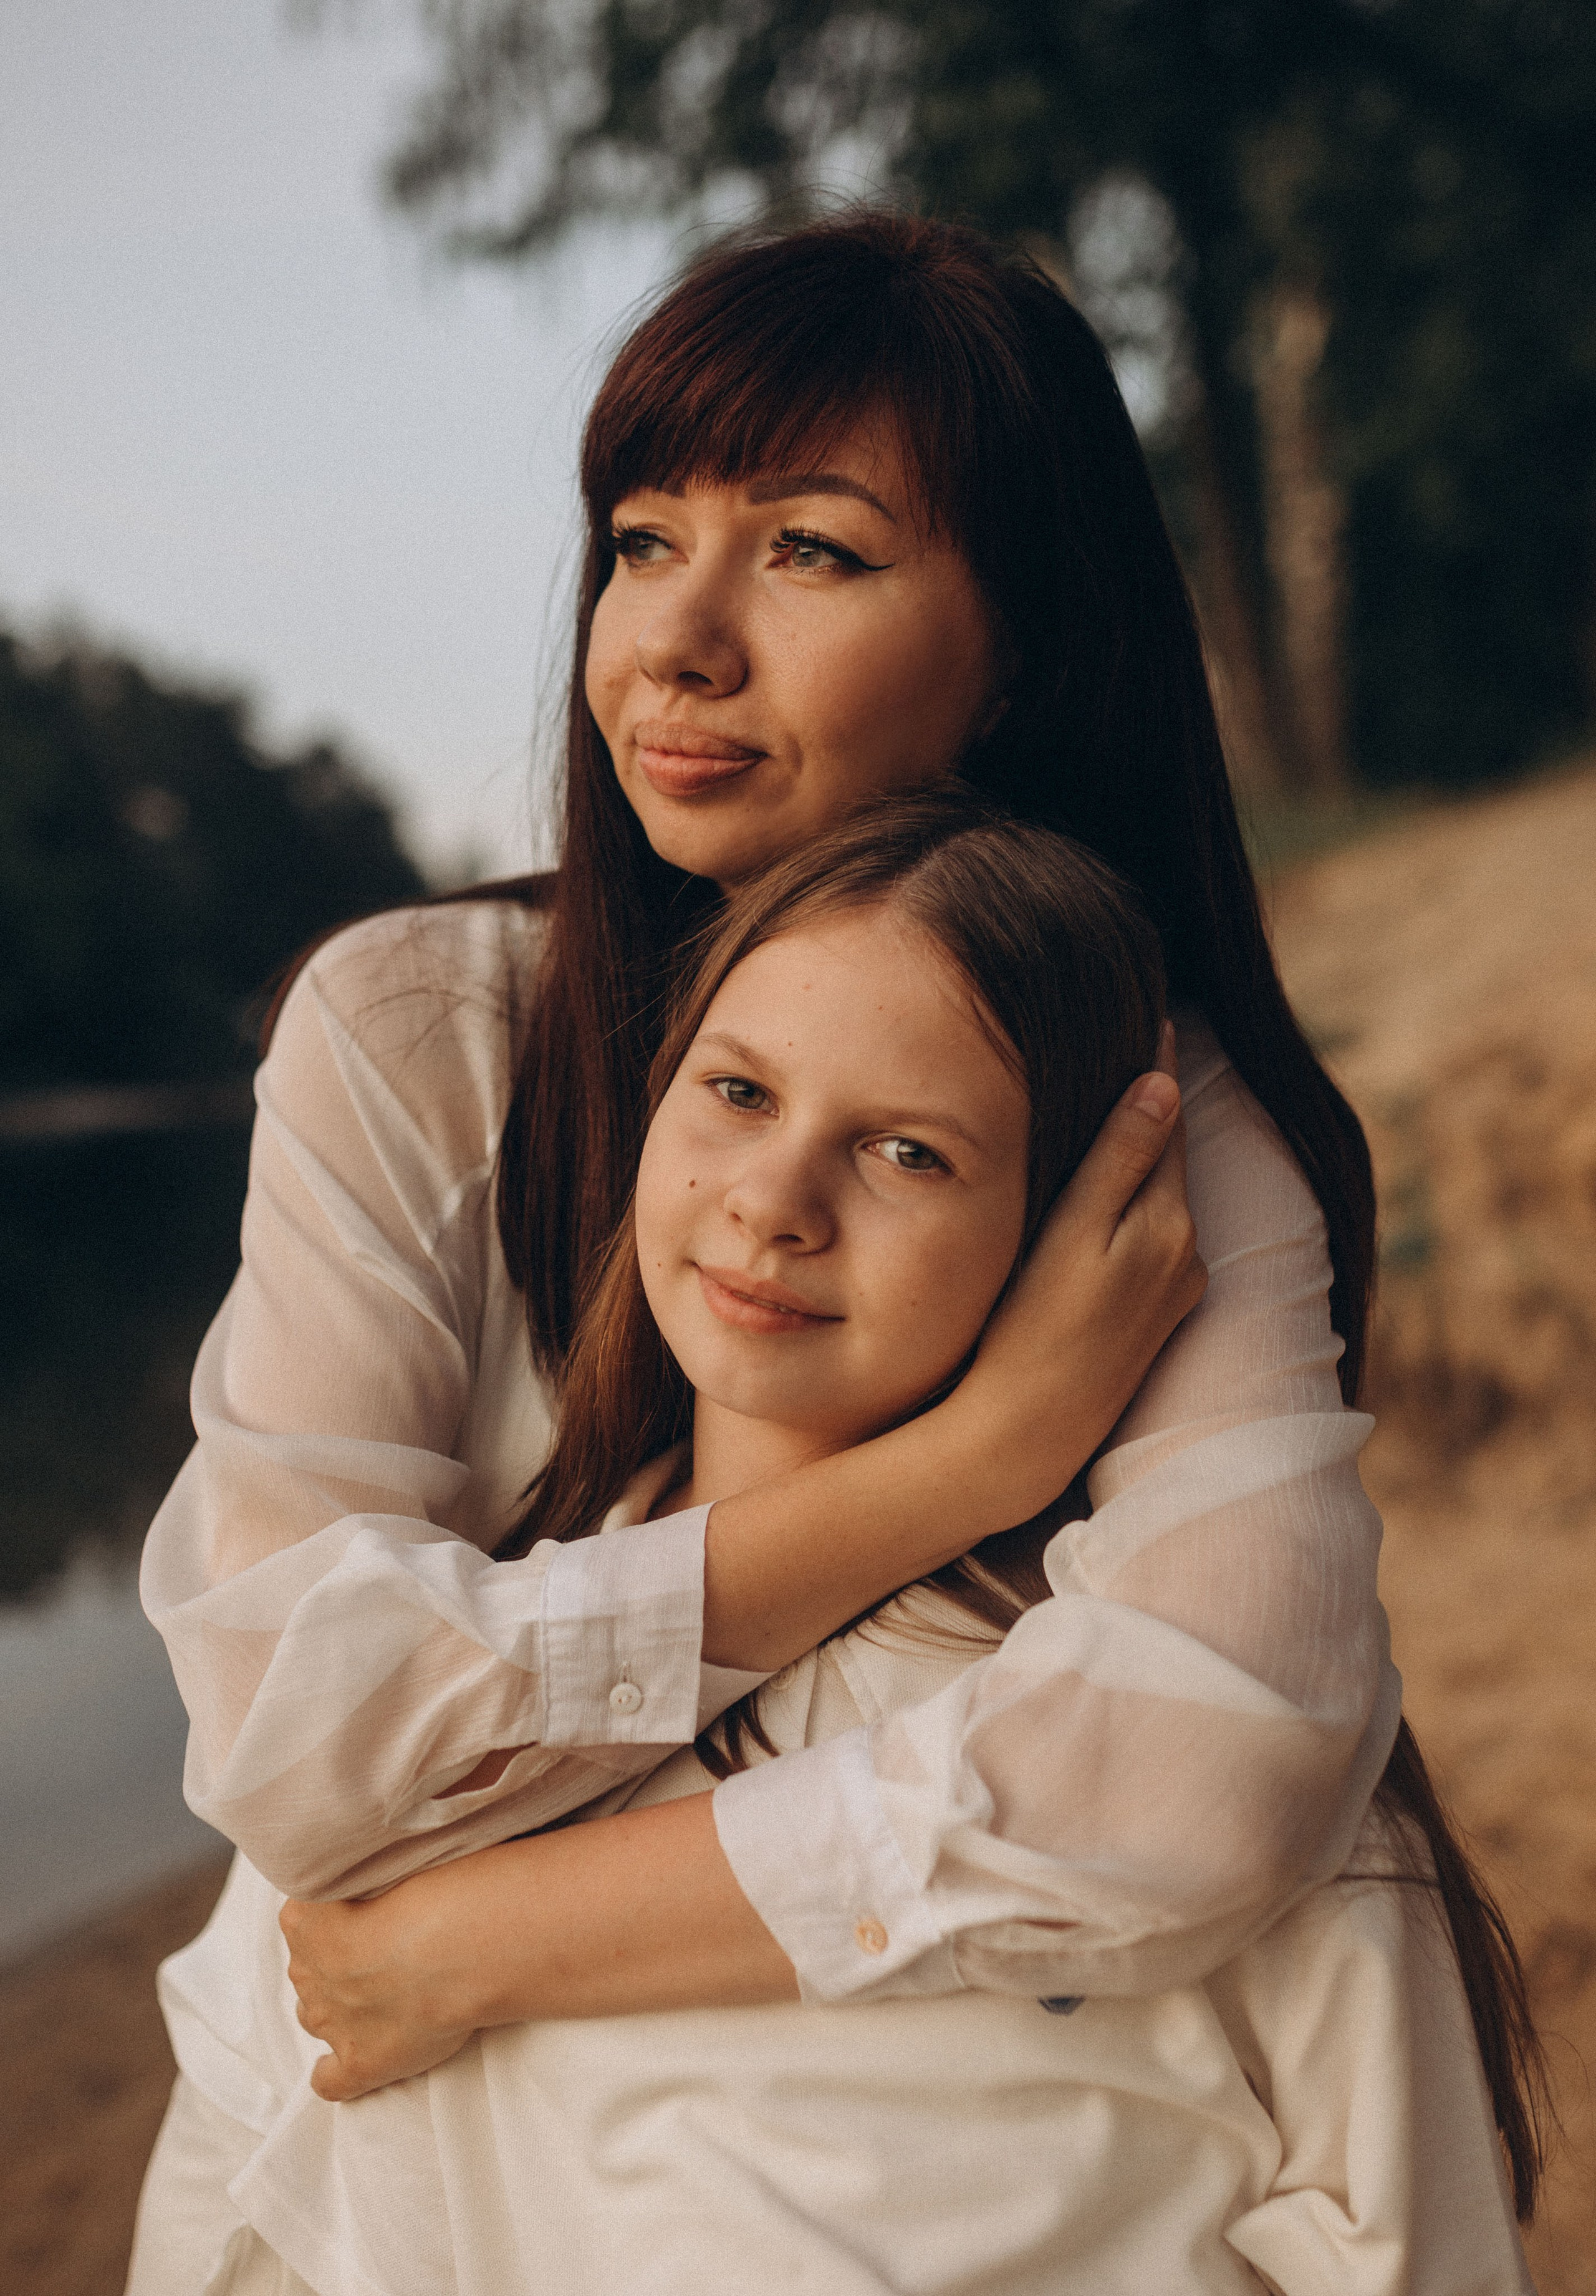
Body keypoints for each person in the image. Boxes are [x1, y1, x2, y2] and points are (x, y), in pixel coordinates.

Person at [130, 213, 1541, 2289]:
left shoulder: (1145, 1105)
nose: (678, 639)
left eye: (813, 550)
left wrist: (471, 1939)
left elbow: (1221, 1737)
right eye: (638, 537)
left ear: (1025, 648)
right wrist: (956, 1472)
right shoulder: (422, 1029)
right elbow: (288, 1742)